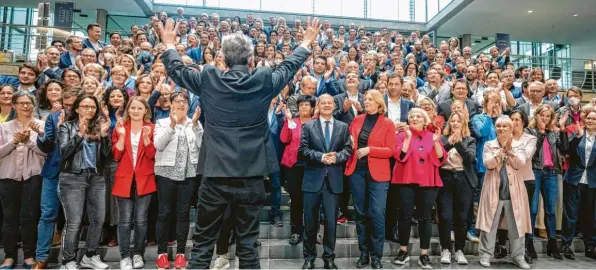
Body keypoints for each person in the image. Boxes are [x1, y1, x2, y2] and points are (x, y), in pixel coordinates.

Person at [158, 16, 321, 269]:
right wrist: (307, 42)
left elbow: (178, 72)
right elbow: (289, 67)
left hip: (214, 178)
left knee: (202, 247)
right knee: (247, 247)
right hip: (252, 178)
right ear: (251, 59)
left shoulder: (209, 77)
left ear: (223, 57)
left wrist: (169, 45)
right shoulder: (263, 79)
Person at [57, 95, 112, 270]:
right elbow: (64, 153)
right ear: (77, 108)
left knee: (98, 219)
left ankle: (90, 255)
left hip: (96, 177)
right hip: (73, 177)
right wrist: (80, 134)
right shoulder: (67, 126)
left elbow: (106, 157)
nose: (89, 110)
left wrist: (104, 136)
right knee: (74, 221)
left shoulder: (99, 127)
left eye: (92, 107)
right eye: (85, 106)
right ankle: (68, 260)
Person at [299, 94, 352, 270]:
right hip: (312, 180)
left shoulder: (343, 127)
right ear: (318, 106)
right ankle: (309, 257)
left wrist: (336, 157)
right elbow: (303, 151)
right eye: (324, 103)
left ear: (334, 106)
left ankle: (329, 257)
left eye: (330, 102)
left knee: (330, 222)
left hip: (334, 181)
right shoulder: (308, 126)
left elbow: (348, 150)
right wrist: (321, 157)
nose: (327, 105)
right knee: (310, 222)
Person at [344, 90, 395, 269]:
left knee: (377, 213)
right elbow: (349, 143)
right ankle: (364, 253)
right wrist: (349, 143)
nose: (367, 101)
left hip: (379, 174)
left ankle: (376, 255)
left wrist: (370, 150)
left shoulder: (388, 123)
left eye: (370, 99)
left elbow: (391, 150)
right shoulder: (357, 120)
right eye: (365, 99)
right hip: (357, 171)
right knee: (361, 214)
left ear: (379, 102)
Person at [153, 92, 203, 269]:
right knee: (164, 213)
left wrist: (196, 125)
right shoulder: (162, 123)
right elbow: (158, 145)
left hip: (189, 174)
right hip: (166, 173)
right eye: (177, 101)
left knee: (183, 213)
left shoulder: (193, 122)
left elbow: (201, 145)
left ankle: (181, 253)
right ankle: (162, 253)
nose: (181, 104)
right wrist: (172, 126)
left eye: (184, 101)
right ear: (171, 104)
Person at [392, 108, 446, 269]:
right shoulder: (401, 135)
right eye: (411, 117)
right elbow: (399, 156)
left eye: (418, 117)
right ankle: (403, 251)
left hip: (428, 182)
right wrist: (408, 138)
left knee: (425, 218)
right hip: (406, 180)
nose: (414, 119)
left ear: (425, 120)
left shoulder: (433, 136)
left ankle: (424, 254)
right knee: (404, 216)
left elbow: (441, 158)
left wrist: (436, 141)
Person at [32, 87, 79, 270]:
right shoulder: (53, 117)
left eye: (72, 106)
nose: (67, 110)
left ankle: (70, 258)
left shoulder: (86, 118)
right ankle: (41, 258)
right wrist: (43, 134)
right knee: (47, 214)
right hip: (53, 172)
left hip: (77, 173)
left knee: (73, 218)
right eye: (65, 105)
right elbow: (45, 147)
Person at [476, 115, 532, 269]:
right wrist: (501, 152)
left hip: (514, 192)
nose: (501, 129)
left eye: (505, 126)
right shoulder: (489, 144)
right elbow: (488, 163)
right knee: (489, 225)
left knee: (517, 226)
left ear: (511, 128)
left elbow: (520, 164)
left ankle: (518, 256)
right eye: (498, 126)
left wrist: (511, 151)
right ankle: (485, 255)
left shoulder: (519, 145)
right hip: (493, 190)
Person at [0, 91, 46, 269]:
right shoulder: (4, 127)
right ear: (14, 105)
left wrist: (29, 142)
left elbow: (46, 153)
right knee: (9, 217)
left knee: (29, 217)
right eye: (20, 103)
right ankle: (9, 256)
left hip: (33, 176)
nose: (25, 106)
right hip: (8, 176)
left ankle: (29, 255)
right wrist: (13, 142)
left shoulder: (41, 126)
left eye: (28, 103)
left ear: (34, 105)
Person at [111, 97, 157, 270]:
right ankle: (124, 256)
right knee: (124, 220)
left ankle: (138, 253)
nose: (136, 111)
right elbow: (116, 155)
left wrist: (146, 139)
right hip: (125, 179)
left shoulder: (152, 128)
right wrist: (122, 137)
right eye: (132, 108)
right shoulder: (121, 127)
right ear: (128, 110)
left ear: (146, 110)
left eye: (139, 108)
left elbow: (152, 155)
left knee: (140, 220)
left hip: (145, 179)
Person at [525, 104, 567, 260]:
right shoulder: (529, 131)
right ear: (536, 115)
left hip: (551, 172)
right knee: (533, 209)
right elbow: (533, 153)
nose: (545, 118)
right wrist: (541, 132)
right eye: (542, 115)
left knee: (550, 209)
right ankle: (529, 244)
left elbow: (564, 148)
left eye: (548, 116)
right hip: (535, 171)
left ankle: (552, 244)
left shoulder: (553, 132)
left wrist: (561, 128)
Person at [437, 111, 477, 265]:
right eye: (452, 121)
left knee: (461, 217)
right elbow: (438, 158)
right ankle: (445, 249)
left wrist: (458, 143)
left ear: (463, 124)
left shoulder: (470, 140)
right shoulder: (441, 139)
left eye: (458, 121)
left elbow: (469, 159)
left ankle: (460, 250)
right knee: (445, 216)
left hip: (463, 180)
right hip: (445, 178)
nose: (454, 124)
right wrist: (448, 144)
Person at [279, 95, 316, 246]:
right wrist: (288, 121)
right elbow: (283, 139)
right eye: (301, 105)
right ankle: (296, 231)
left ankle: (312, 232)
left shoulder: (316, 123)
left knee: (312, 201)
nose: (303, 107)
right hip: (294, 166)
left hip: (312, 166)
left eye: (307, 105)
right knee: (296, 200)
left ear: (312, 108)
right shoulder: (292, 122)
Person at [562, 109, 596, 261]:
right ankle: (566, 246)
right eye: (589, 118)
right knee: (571, 214)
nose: (590, 121)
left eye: (594, 119)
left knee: (591, 215)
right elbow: (567, 150)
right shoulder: (577, 135)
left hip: (592, 182)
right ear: (584, 119)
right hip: (574, 180)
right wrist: (579, 137)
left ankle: (590, 247)